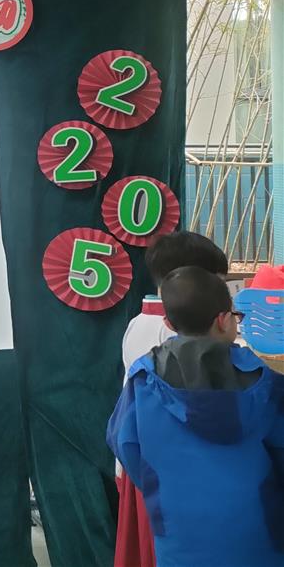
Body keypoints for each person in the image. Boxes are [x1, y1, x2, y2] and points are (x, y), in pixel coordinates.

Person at [107, 266, 284, 567]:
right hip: (258, 533)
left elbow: (125, 445)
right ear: (223, 320)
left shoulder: (142, 381)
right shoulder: (267, 385)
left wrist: (164, 484)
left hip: (178, 532)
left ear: (168, 322)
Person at [114, 231, 228, 567]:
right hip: (166, 470)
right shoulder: (170, 333)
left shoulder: (141, 322)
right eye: (218, 285)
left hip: (147, 461)